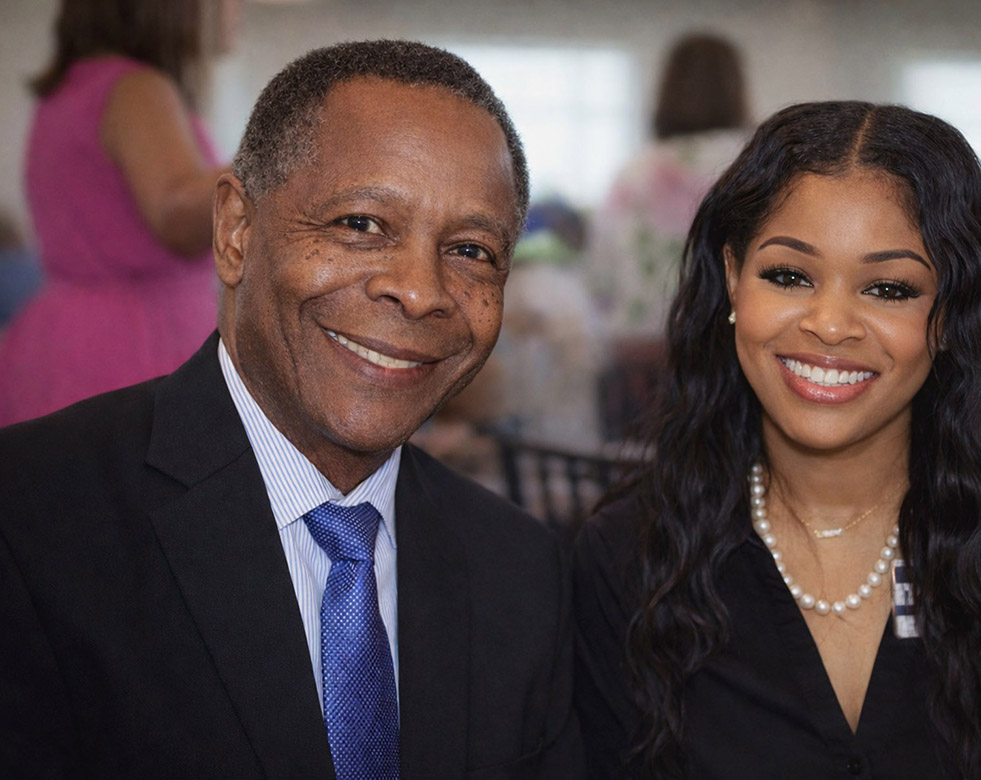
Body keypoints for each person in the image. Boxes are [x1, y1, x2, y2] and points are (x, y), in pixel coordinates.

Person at [0, 40, 581, 779]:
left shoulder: (523, 575)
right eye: (361, 225)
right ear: (237, 230)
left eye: (470, 251)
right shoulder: (32, 520)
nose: (421, 290)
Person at [573, 101, 981, 779]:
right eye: (789, 276)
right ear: (734, 277)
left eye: (888, 288)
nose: (830, 325)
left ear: (949, 315)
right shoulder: (628, 559)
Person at [0, 0, 230, 426]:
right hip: (131, 353)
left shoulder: (70, 90)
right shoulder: (137, 88)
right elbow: (174, 214)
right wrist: (277, 161)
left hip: (63, 344)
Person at [587, 32, 749, 341]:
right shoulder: (755, 164)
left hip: (640, 346)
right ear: (736, 87)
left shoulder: (636, 171)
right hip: (725, 347)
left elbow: (600, 277)